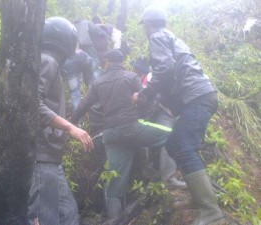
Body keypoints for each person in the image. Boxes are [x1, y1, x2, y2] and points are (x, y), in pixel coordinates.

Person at [132, 5, 225, 225]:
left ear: (148, 23)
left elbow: (164, 69)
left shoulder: (157, 36)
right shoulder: (171, 37)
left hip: (197, 97)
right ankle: (197, 198)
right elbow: (174, 73)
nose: (144, 28)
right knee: (174, 143)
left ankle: (211, 212)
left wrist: (144, 94)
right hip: (200, 96)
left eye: (144, 24)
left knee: (183, 146)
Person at [71, 49, 172, 219]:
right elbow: (144, 101)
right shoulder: (131, 77)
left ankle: (114, 220)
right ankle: (170, 178)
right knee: (173, 134)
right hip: (133, 128)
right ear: (121, 62)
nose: (103, 65)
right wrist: (146, 116)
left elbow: (83, 105)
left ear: (109, 62)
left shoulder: (98, 82)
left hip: (111, 135)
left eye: (104, 62)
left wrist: (70, 123)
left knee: (115, 186)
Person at [27, 17, 93, 225]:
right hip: (42, 157)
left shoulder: (49, 62)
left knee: (69, 216)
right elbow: (31, 106)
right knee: (45, 219)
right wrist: (70, 127)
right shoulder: (47, 60)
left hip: (50, 159)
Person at [131, 57, 186, 188]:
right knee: (148, 140)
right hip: (155, 113)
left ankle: (168, 178)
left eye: (135, 68)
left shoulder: (150, 77)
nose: (133, 70)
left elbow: (153, 95)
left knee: (168, 137)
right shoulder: (142, 78)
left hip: (163, 111)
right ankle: (150, 172)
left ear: (139, 69)